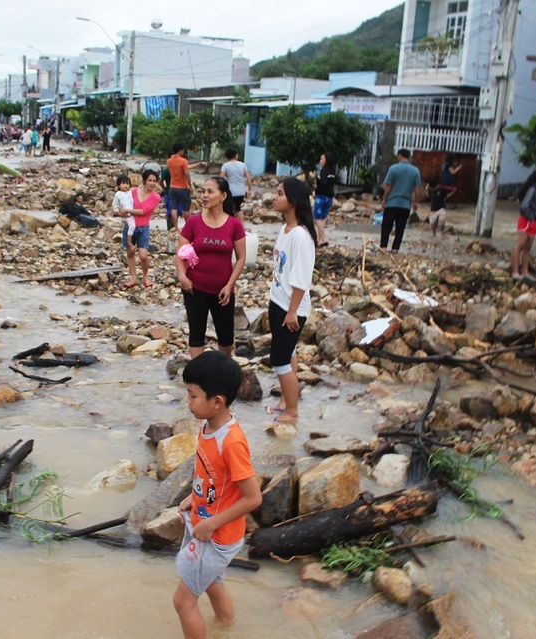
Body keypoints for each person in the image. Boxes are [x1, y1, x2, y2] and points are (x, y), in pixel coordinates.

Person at [174, 350, 261, 639]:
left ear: (217, 402)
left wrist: (211, 523)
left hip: (217, 535)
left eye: (192, 396)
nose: (187, 402)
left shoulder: (232, 442)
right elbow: (209, 474)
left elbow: (253, 498)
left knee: (183, 603)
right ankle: (226, 626)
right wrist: (192, 496)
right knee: (213, 583)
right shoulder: (206, 425)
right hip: (206, 525)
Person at [176, 177, 247, 359]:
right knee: (196, 335)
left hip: (222, 290)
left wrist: (229, 285)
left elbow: (241, 258)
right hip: (194, 288)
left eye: (210, 191)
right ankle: (198, 379)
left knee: (226, 339)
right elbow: (181, 252)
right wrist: (183, 277)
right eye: (203, 191)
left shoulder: (234, 225)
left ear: (223, 196)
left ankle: (223, 372)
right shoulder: (194, 221)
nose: (204, 195)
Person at [267, 177, 317, 425]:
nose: (274, 197)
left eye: (279, 193)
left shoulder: (301, 235)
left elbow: (301, 279)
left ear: (294, 201)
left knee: (278, 359)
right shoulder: (284, 230)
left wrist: (292, 312)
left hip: (291, 307)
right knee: (289, 351)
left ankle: (293, 412)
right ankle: (286, 400)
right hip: (278, 300)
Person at [121, 169, 161, 288]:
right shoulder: (133, 192)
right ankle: (133, 278)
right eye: (150, 180)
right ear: (144, 180)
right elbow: (124, 204)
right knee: (130, 253)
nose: (152, 183)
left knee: (143, 255)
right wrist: (121, 211)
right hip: (130, 226)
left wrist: (127, 210)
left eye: (154, 181)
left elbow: (143, 211)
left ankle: (145, 276)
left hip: (143, 228)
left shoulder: (156, 197)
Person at [379, 148, 422, 254]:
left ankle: (383, 247)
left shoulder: (393, 169)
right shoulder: (415, 171)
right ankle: (395, 248)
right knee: (400, 227)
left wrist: (384, 199)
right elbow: (417, 189)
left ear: (399, 156)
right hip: (405, 205)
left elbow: (388, 186)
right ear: (408, 157)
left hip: (392, 203)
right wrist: (416, 202)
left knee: (386, 225)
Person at [512, 169, 536, 283]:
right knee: (520, 246)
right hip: (527, 220)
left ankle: (525, 271)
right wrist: (531, 219)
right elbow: (524, 206)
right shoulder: (532, 190)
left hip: (533, 220)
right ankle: (516, 272)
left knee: (527, 248)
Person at [167, 142, 194, 248]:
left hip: (172, 187)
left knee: (174, 207)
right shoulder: (183, 161)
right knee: (186, 208)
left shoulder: (169, 161)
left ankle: (176, 227)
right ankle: (188, 226)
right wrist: (190, 186)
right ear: (181, 150)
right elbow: (187, 174)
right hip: (182, 187)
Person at [220, 148, 252, 219]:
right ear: (236, 155)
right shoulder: (243, 165)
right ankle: (242, 226)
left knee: (229, 209)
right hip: (241, 191)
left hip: (231, 191)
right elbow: (249, 178)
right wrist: (250, 190)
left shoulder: (225, 166)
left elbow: (221, 179)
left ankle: (230, 225)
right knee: (238, 207)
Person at [312, 153, 336, 247]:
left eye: (322, 159)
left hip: (321, 197)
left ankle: (323, 238)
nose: (320, 161)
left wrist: (316, 192)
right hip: (329, 199)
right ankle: (319, 238)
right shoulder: (332, 172)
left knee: (316, 217)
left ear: (326, 160)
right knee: (322, 218)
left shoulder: (323, 171)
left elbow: (322, 184)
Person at [112, 175, 136, 251]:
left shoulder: (130, 192)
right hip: (126, 214)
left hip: (133, 212)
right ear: (119, 185)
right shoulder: (118, 194)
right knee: (132, 226)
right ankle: (129, 242)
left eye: (128, 184)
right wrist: (119, 213)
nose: (126, 185)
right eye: (123, 183)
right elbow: (114, 206)